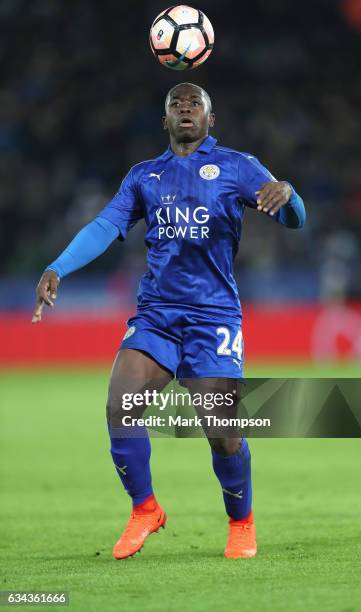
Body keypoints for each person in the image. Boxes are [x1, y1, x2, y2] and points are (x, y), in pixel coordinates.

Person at [32, 82, 306, 560]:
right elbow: (105, 226)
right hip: (157, 315)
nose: (185, 108)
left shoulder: (238, 167)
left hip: (213, 315)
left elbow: (294, 218)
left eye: (194, 103)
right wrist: (58, 267)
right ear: (164, 120)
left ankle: (241, 521)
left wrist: (290, 193)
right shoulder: (144, 176)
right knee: (121, 405)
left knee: (221, 432)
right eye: (176, 104)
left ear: (210, 119)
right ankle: (145, 510)